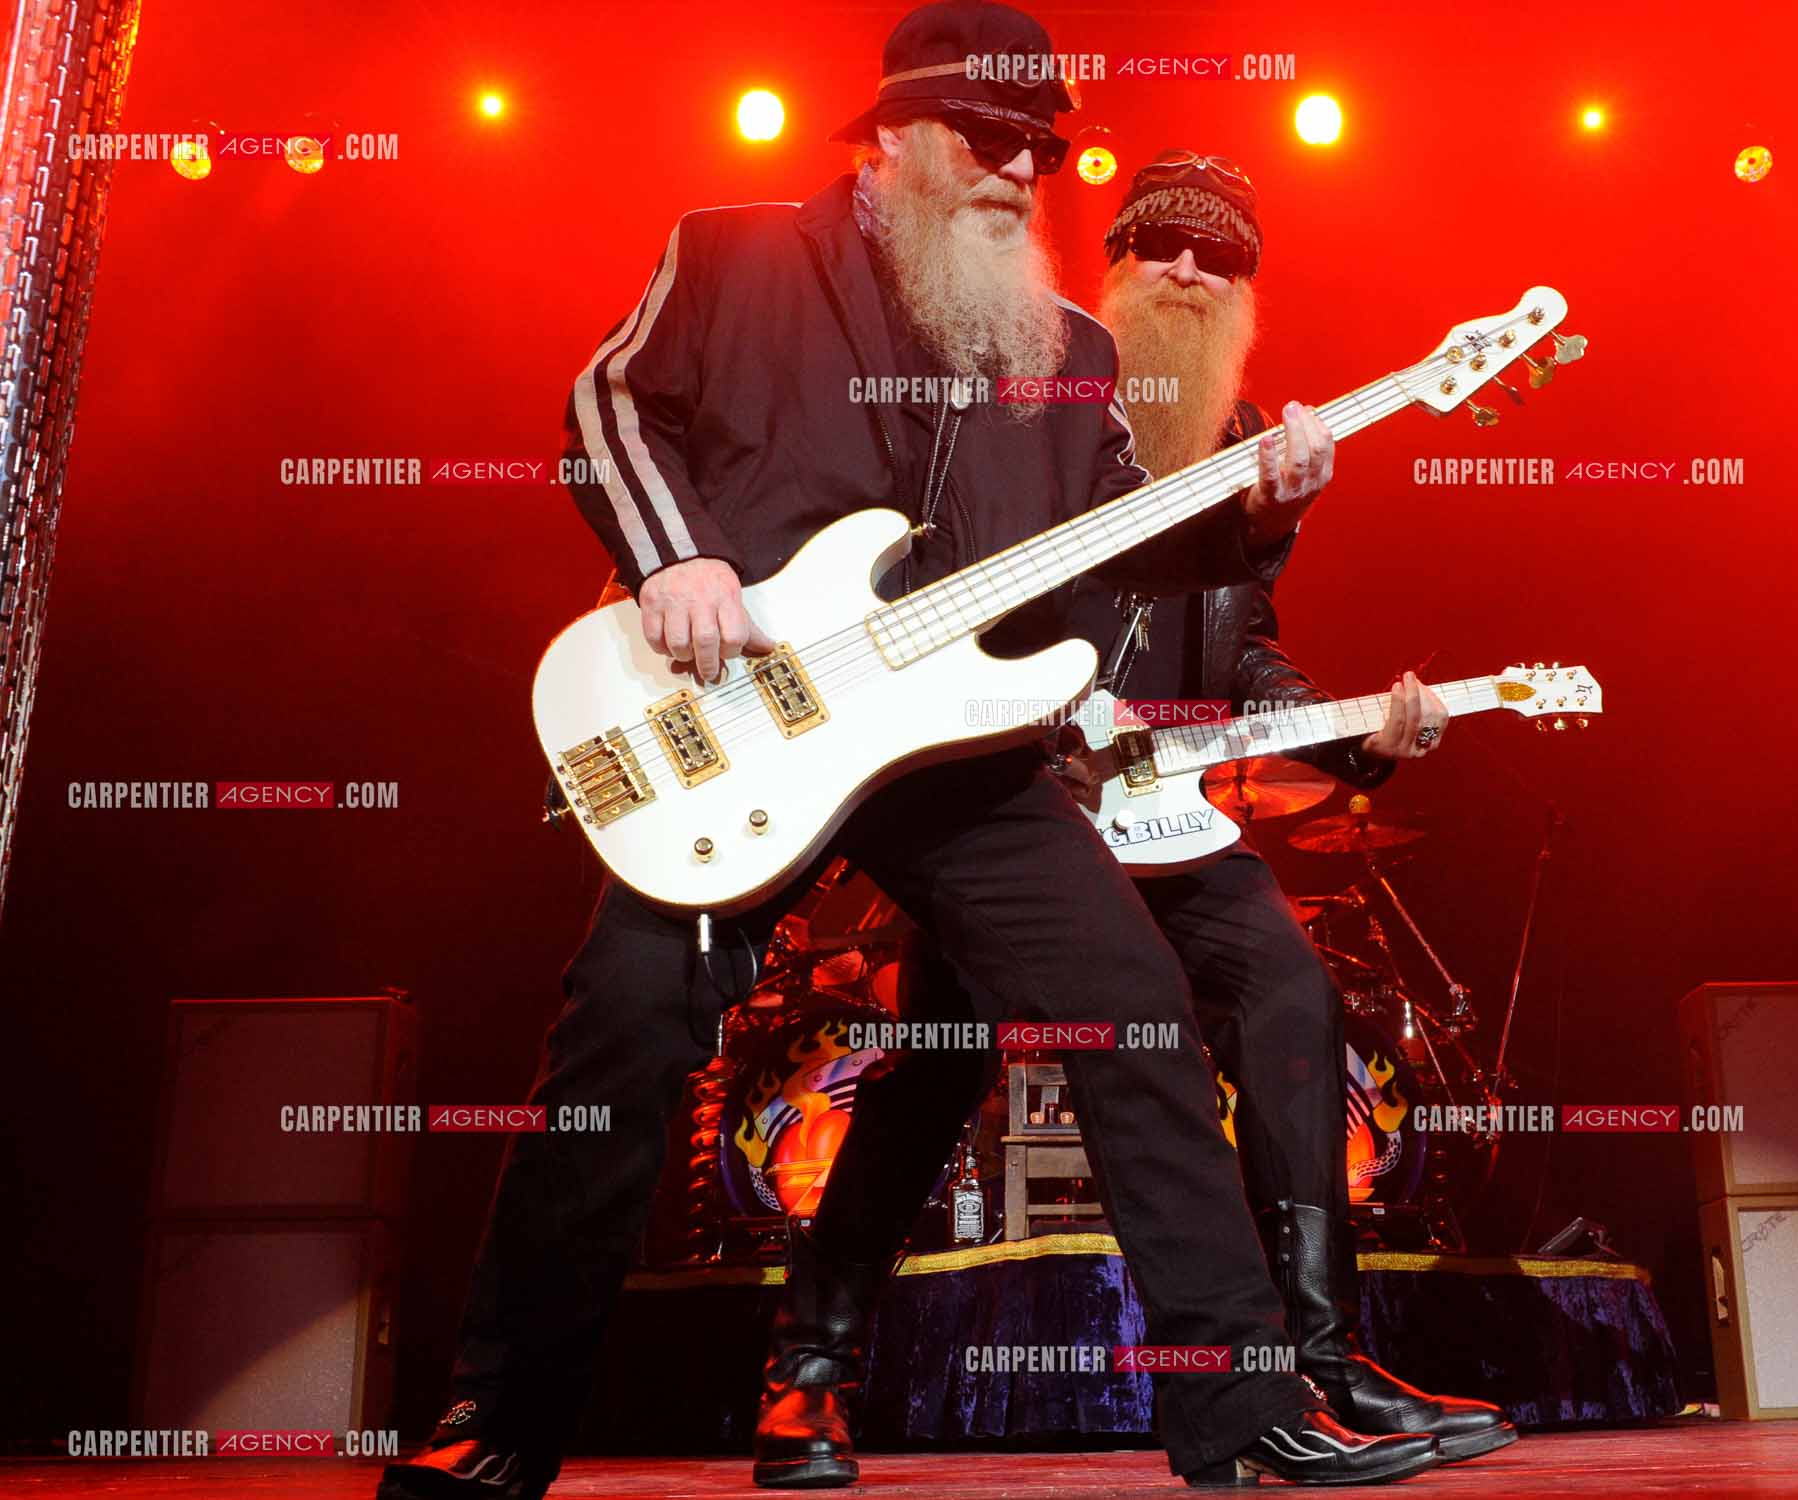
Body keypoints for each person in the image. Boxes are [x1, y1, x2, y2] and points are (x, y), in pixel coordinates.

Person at [377, 5, 1436, 1498]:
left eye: (1042, 149)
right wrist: (676, 558)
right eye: (986, 138)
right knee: (625, 1028)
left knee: (1133, 1006)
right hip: (742, 719)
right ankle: (501, 1413)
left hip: (956, 752)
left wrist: (1263, 511)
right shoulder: (734, 252)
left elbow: (1126, 558)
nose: (1018, 169)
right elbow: (608, 404)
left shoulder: (1061, 347)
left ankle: (1240, 1409)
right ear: (889, 135)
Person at [749, 151, 1516, 1493]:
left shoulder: (1248, 446)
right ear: (1109, 261)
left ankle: (1317, 1363)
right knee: (935, 1069)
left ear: (1244, 299)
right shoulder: (1031, 397)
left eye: (1216, 260)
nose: (1184, 272)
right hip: (1011, 806)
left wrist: (1353, 733)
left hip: (1161, 821)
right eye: (1160, 246)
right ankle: (808, 1371)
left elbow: (1240, 648)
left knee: (1288, 993)